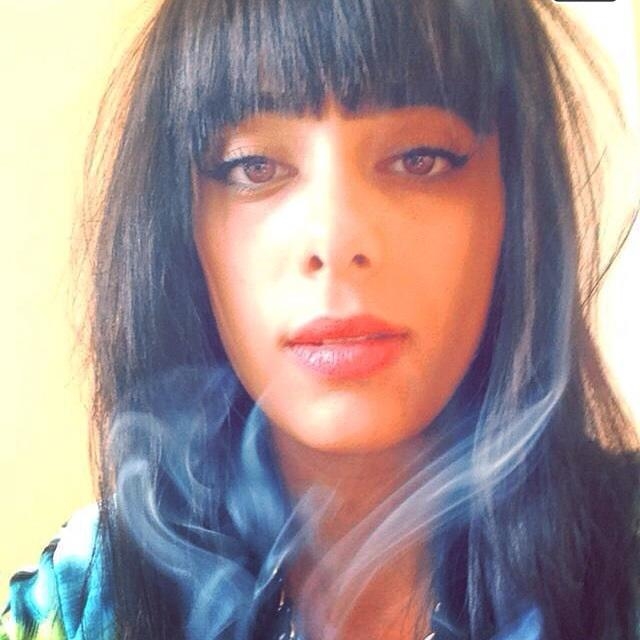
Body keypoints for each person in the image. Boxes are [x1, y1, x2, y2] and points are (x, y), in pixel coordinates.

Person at [2, 0, 639, 638]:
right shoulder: (85, 601)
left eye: (419, 158)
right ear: (182, 228)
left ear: (517, 204)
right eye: (254, 166)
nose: (334, 238)